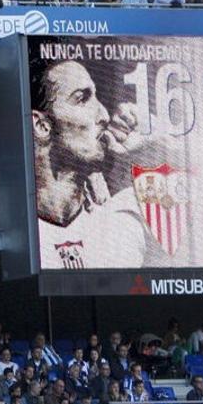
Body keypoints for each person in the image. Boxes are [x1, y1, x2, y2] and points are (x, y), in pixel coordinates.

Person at [30, 60, 161, 269]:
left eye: (96, 96)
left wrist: (154, 147)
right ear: (42, 125)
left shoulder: (119, 221)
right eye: (82, 99)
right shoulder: (22, 235)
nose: (104, 115)